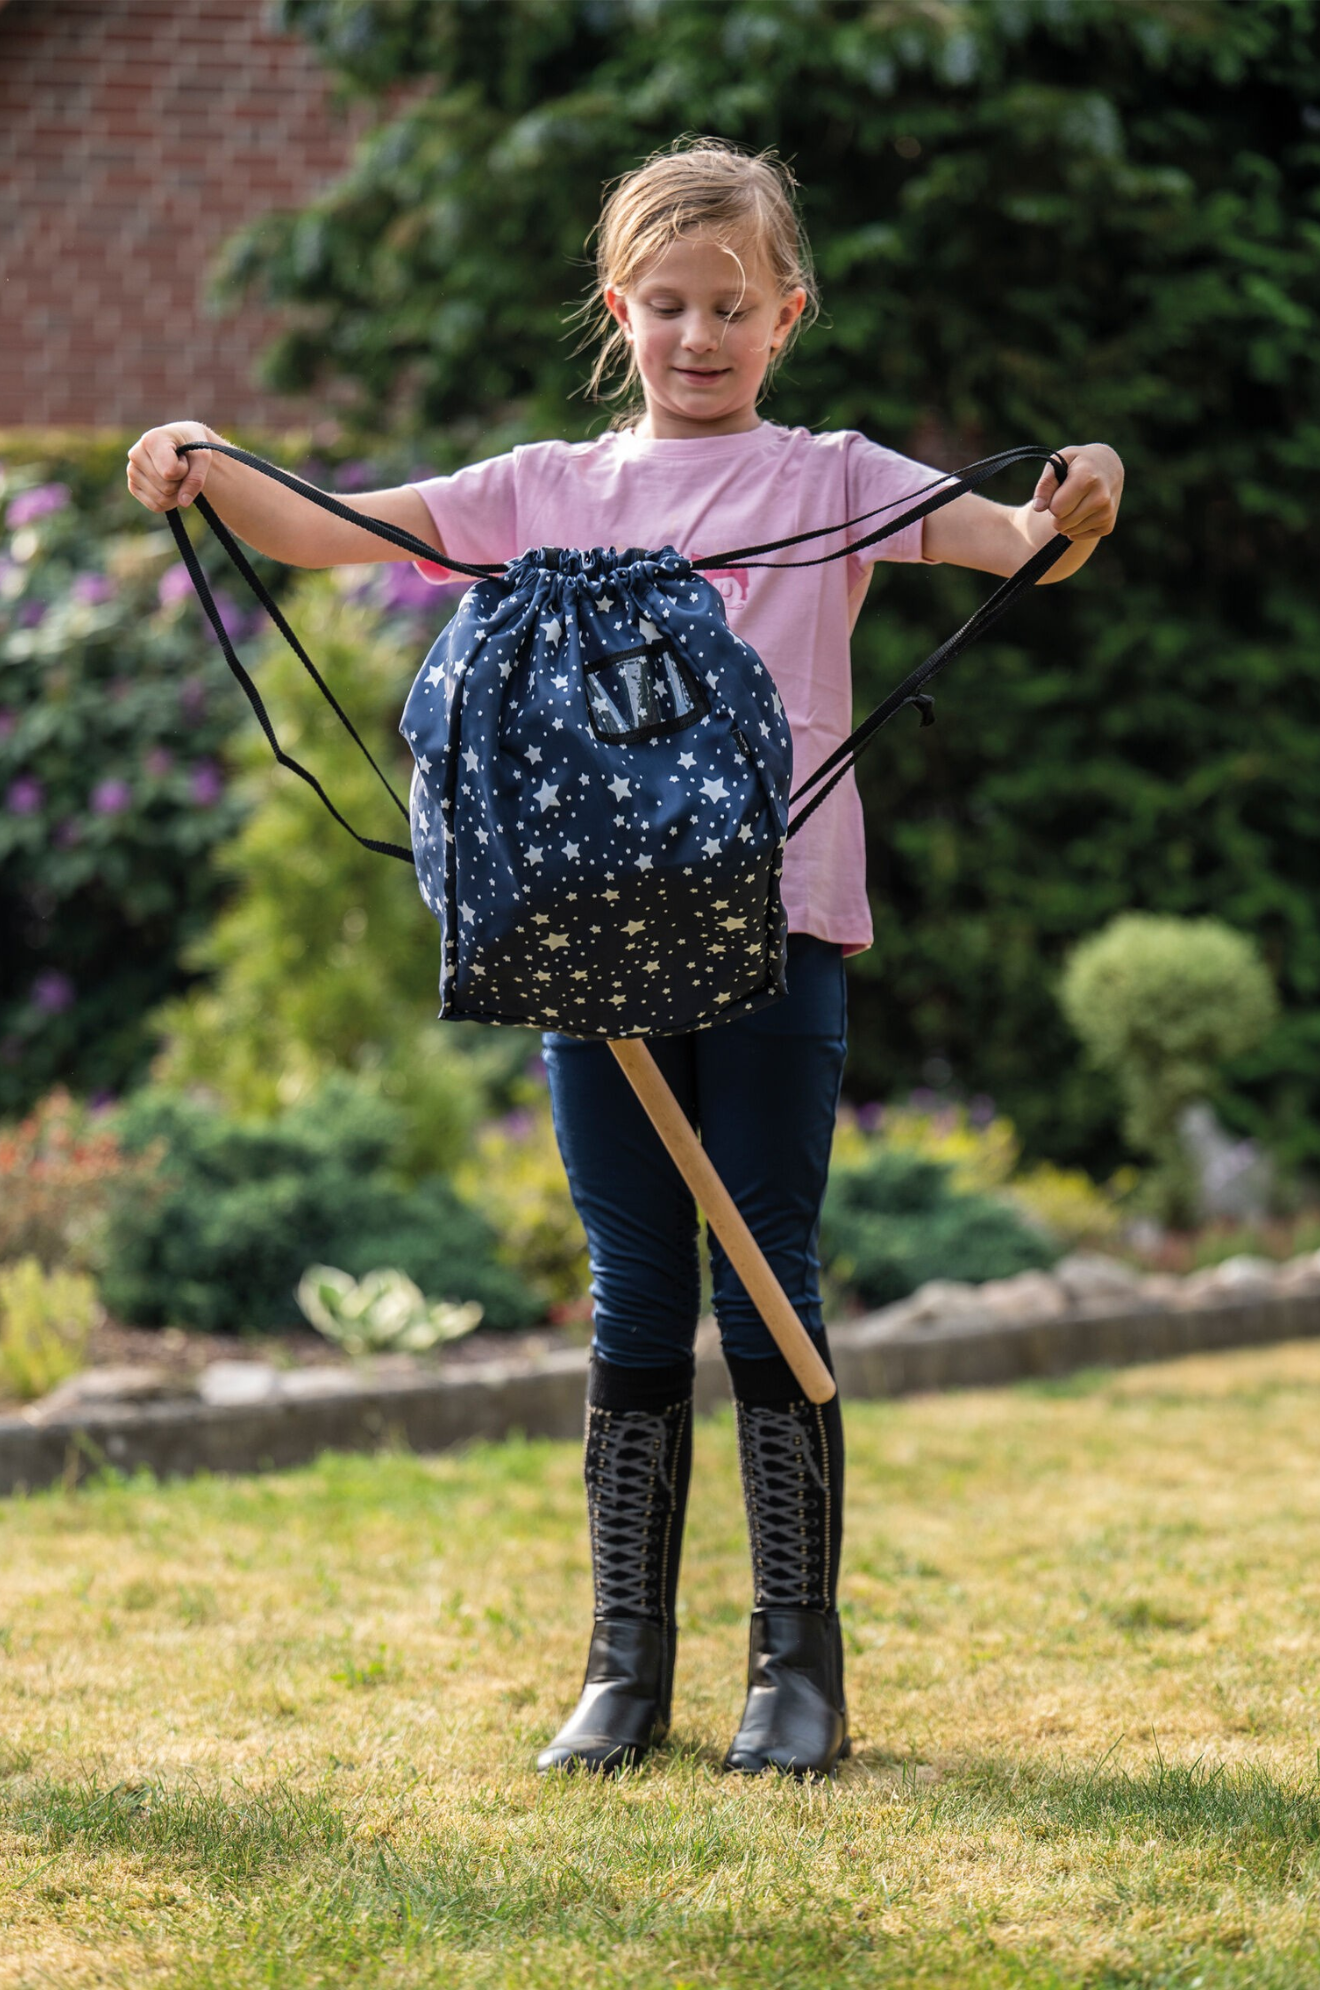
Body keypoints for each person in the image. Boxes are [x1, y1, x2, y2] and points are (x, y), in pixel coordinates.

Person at [127, 138, 1124, 1779]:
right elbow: (327, 528)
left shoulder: (834, 476)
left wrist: (1080, 493)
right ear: (619, 309)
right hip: (587, 947)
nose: (699, 335)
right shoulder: (545, 490)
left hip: (780, 926)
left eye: (732, 307)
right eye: (667, 304)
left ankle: (795, 1667)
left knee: (766, 1266)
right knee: (637, 1280)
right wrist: (199, 459)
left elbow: (1024, 540)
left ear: (787, 315)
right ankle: (623, 1666)